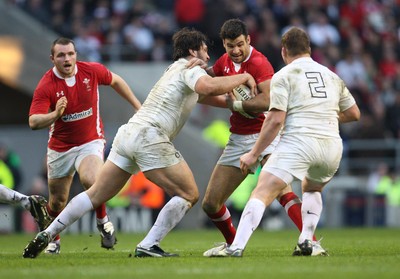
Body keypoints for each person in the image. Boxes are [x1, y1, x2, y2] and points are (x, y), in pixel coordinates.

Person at [22, 27, 258, 259]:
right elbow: (205, 86)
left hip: (129, 133)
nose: (208, 56)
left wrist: (235, 104)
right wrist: (244, 77)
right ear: (193, 51)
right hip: (150, 137)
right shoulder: (191, 68)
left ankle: (49, 232)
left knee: (94, 194)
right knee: (189, 193)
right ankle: (149, 244)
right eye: (205, 50)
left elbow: (202, 95)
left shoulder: (173, 69)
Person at [217, 27, 360, 257]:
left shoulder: (284, 75)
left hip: (299, 142)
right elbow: (354, 113)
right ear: (309, 50)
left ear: (284, 51)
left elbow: (274, 120)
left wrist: (254, 153)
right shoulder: (332, 76)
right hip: (332, 146)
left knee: (262, 191)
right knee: (312, 188)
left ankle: (236, 247)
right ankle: (307, 240)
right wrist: (324, 118)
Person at [190, 18, 322, 257]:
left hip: (266, 134)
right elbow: (206, 86)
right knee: (210, 204)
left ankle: (310, 242)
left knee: (282, 191)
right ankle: (233, 245)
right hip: (238, 138)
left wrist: (236, 104)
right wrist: (193, 69)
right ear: (225, 44)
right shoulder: (223, 62)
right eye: (231, 46)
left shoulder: (259, 63)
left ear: (248, 40)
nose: (236, 50)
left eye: (240, 44)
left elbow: (267, 101)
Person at [27, 37, 142, 254]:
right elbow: (33, 122)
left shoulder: (91, 71)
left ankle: (103, 221)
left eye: (70, 53)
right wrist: (55, 114)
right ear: (52, 59)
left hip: (90, 141)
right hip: (60, 147)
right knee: (57, 201)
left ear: (76, 55)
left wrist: (138, 106)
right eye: (61, 55)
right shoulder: (46, 85)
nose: (67, 58)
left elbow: (116, 80)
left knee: (92, 180)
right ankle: (55, 238)